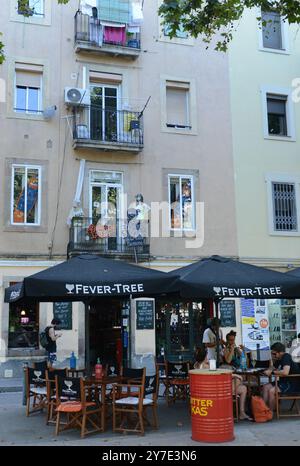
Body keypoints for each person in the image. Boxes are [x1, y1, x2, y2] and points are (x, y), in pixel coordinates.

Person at [262, 342, 300, 411]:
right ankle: (263, 409)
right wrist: (269, 368)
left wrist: (272, 372)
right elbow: (273, 368)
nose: (273, 355)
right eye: (272, 354)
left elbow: (285, 372)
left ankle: (270, 412)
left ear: (280, 352)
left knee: (271, 391)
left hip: (292, 384)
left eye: (274, 354)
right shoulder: (279, 359)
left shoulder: (286, 357)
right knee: (265, 387)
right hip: (284, 382)